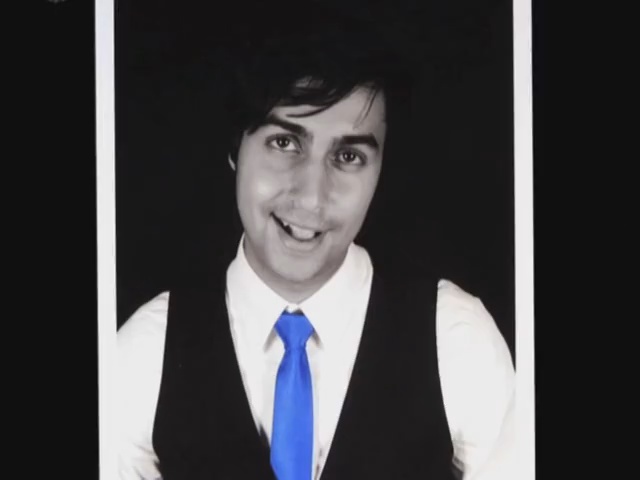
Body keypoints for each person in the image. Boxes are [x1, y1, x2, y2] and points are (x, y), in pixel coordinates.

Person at [117, 3, 515, 479]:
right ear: (234, 148)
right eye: (285, 142)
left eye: (348, 156)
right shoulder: (144, 352)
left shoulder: (458, 339)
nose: (311, 197)